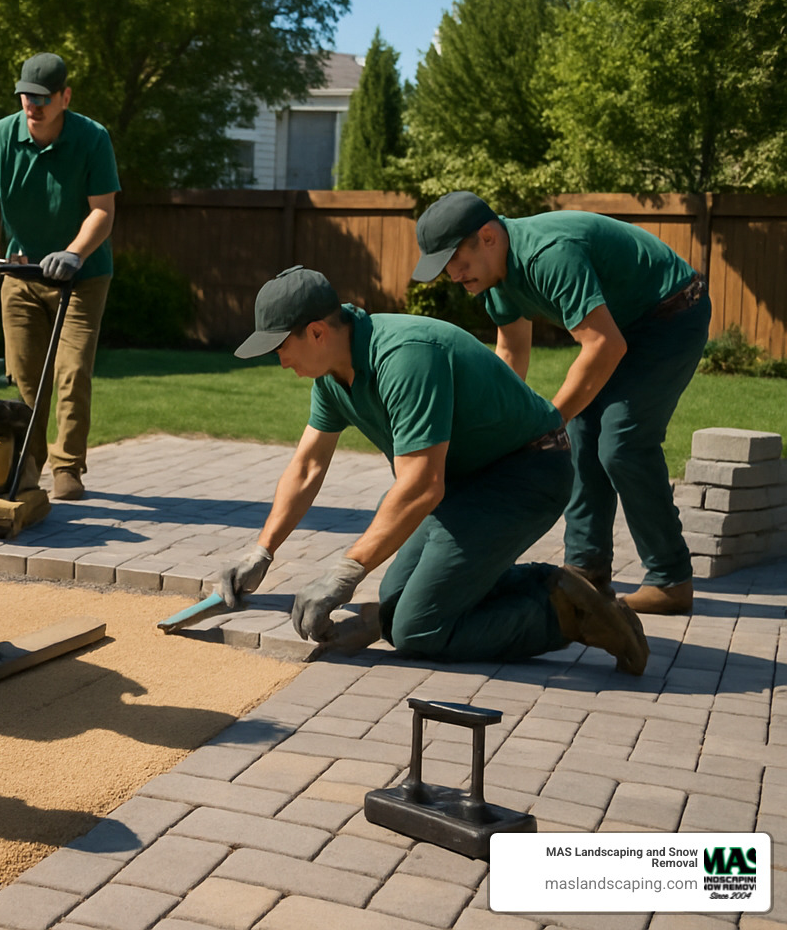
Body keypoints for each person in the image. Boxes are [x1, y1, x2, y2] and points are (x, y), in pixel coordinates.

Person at [215, 266, 649, 674]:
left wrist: (344, 572)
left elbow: (421, 486)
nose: (279, 360)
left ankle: (568, 615)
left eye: (279, 347)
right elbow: (308, 465)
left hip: (527, 472)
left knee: (416, 628)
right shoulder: (332, 374)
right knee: (394, 601)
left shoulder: (405, 358)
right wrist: (262, 551)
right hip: (468, 481)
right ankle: (553, 585)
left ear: (316, 332)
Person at [413, 192, 710, 615]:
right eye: (444, 266)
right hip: (624, 325)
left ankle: (671, 579)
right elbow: (512, 351)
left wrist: (547, 422)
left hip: (672, 312)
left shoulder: (547, 255)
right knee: (579, 434)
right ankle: (586, 572)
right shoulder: (493, 277)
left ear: (488, 237)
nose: (452, 274)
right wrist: (502, 426)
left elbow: (604, 344)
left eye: (455, 260)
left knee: (623, 443)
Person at [0, 52, 120, 501]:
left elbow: (102, 211)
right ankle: (28, 465)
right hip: (21, 273)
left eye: (44, 98)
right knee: (27, 377)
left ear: (65, 97)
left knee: (71, 372)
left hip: (82, 276)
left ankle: (68, 467)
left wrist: (73, 253)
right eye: (26, 96)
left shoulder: (92, 139)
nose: (33, 105)